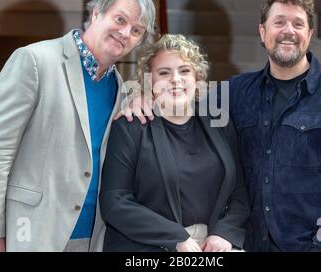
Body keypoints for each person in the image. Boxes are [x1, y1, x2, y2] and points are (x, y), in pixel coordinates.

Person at [117, 0, 321, 252]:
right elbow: (182, 98)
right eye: (279, 22)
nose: (288, 31)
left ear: (310, 34)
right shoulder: (235, 92)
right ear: (263, 31)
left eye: (298, 24)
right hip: (250, 245)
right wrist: (143, 95)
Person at [0, 0, 156, 252]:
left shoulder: (120, 89)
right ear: (97, 13)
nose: (125, 32)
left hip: (95, 238)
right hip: (32, 234)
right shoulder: (35, 61)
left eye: (136, 30)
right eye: (120, 19)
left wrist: (145, 93)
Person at [100, 34, 249, 252]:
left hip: (210, 244)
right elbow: (115, 201)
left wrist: (225, 233)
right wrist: (176, 238)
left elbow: (240, 193)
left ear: (197, 78)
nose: (175, 80)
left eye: (184, 71)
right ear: (149, 82)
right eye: (164, 73)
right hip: (149, 246)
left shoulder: (219, 123)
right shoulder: (131, 125)